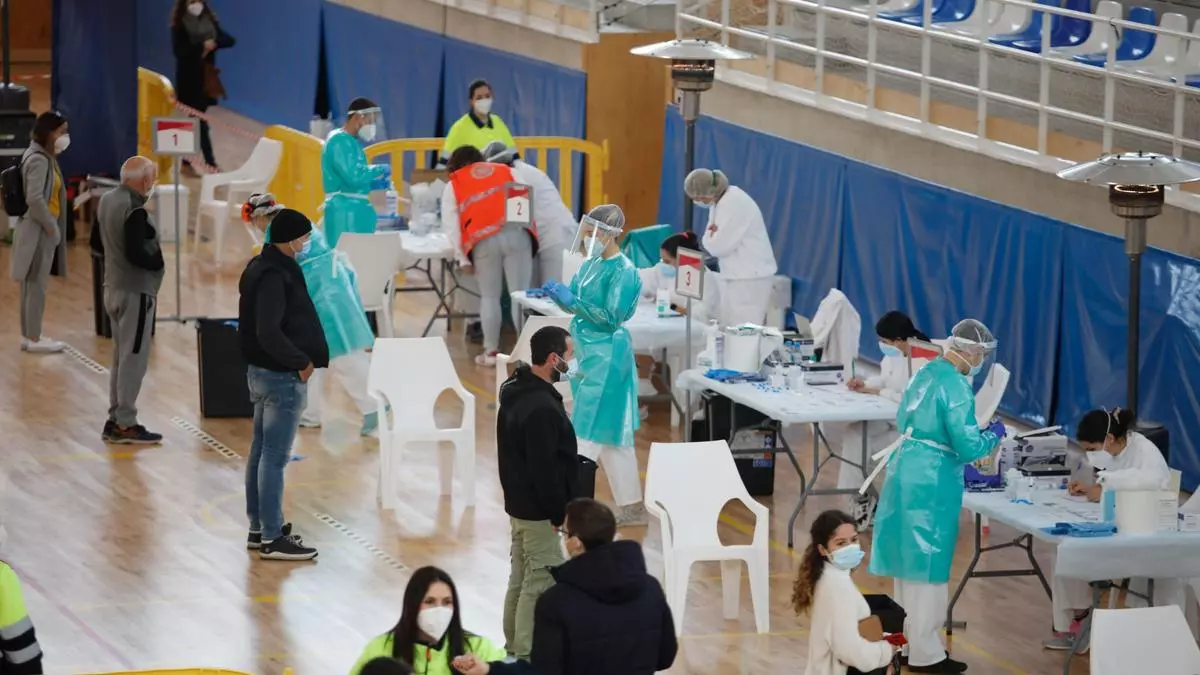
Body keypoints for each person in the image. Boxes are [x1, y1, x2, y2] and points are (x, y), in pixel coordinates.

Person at [868, 318, 1005, 674]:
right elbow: (968, 446)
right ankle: (926, 653)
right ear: (973, 352)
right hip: (932, 478)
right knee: (929, 565)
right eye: (981, 355)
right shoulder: (956, 385)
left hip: (904, 468)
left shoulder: (925, 373)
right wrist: (993, 435)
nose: (981, 361)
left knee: (906, 563)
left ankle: (904, 642)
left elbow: (905, 417)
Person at [454, 498, 677, 675]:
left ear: (575, 542)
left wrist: (491, 670)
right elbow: (665, 656)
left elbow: (544, 672)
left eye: (563, 532)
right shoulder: (650, 587)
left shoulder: (555, 602)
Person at [541, 205, 645, 526]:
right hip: (589, 353)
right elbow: (575, 301)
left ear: (610, 234)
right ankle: (632, 506)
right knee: (611, 434)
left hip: (609, 357)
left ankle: (572, 505)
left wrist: (574, 303)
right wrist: (561, 298)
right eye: (586, 231)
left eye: (593, 232)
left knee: (585, 431)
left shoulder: (624, 271)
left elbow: (611, 318)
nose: (588, 237)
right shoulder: (591, 264)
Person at [243, 194, 378, 435]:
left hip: (325, 294)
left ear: (259, 218)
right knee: (312, 353)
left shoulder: (281, 231)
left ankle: (374, 407)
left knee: (343, 354)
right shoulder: (290, 223)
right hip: (322, 289)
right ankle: (309, 411)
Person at [237, 209, 328, 561]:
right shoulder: (276, 276)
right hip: (280, 377)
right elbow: (268, 331)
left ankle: (259, 528)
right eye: (303, 238)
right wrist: (301, 362)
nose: (306, 243)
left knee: (260, 452)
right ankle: (273, 537)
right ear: (289, 240)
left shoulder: (259, 266)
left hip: (260, 373)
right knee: (274, 458)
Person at [1044, 407, 1171, 652]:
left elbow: (1147, 488)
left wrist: (1105, 490)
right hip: (1117, 524)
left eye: (1092, 449)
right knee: (1061, 548)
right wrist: (1094, 489)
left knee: (1070, 551)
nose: (1090, 455)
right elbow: (1113, 486)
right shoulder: (1117, 450)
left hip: (1141, 533)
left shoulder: (1145, 454)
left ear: (1109, 439)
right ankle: (1078, 616)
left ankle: (1083, 617)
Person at [497, 326, 578, 659]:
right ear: (553, 358)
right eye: (570, 356)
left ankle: (513, 649)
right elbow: (544, 468)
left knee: (520, 578)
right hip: (538, 510)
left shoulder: (515, 390)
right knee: (541, 580)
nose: (572, 363)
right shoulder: (541, 407)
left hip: (519, 504)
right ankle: (526, 655)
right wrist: (558, 513)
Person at [441, 145, 537, 366]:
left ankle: (491, 352)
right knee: (520, 296)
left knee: (490, 297)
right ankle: (527, 354)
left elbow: (451, 226)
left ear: (454, 166)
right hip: (517, 232)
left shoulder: (454, 183)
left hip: (482, 240)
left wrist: (462, 258)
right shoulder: (508, 170)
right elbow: (524, 205)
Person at [838, 311, 932, 529]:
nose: (883, 345)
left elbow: (909, 400)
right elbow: (885, 378)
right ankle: (858, 497)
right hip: (889, 418)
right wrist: (865, 384)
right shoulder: (894, 354)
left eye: (885, 341)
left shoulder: (924, 361)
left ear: (898, 340)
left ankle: (862, 501)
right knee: (855, 432)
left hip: (910, 430)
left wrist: (878, 392)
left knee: (861, 446)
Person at [97, 157, 166, 445]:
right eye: (153, 178)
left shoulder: (106, 200)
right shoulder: (134, 210)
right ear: (145, 181)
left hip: (112, 287)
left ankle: (115, 417)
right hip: (135, 292)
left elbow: (96, 243)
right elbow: (137, 253)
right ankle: (126, 423)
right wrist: (157, 260)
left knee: (120, 358)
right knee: (133, 360)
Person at [793, 510, 898, 675]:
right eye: (841, 543)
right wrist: (886, 650)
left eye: (854, 539)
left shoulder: (828, 577)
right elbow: (849, 650)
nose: (850, 547)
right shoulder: (838, 588)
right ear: (823, 549)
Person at [350, 566, 507, 675]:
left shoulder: (478, 648)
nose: (439, 609)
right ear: (413, 604)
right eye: (430, 602)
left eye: (447, 602)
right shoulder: (381, 649)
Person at [683, 168, 777, 327]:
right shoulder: (719, 202)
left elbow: (718, 247)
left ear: (706, 193)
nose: (699, 202)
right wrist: (711, 236)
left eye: (699, 198)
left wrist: (711, 236)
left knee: (744, 330)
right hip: (737, 276)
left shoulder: (733, 203)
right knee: (730, 327)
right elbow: (711, 238)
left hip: (749, 278)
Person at [10, 111, 69, 355]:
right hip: (39, 230)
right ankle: (33, 337)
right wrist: (50, 226)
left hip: (37, 228)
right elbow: (34, 199)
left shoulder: (42, 156)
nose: (65, 136)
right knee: (36, 286)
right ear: (50, 133)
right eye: (62, 131)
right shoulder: (39, 160)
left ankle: (30, 334)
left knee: (31, 285)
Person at [482, 141, 576, 286]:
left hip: (556, 237)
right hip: (542, 238)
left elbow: (517, 221)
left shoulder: (516, 176)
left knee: (554, 295)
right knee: (534, 296)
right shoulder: (520, 171)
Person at [170, 0, 233, 172]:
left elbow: (229, 40)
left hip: (205, 80)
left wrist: (214, 42)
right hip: (188, 80)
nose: (195, 4)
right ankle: (210, 162)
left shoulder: (209, 22)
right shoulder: (179, 25)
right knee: (198, 120)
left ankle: (188, 160)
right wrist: (201, 46)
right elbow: (179, 51)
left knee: (197, 119)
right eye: (191, 1)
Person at [322, 97, 392, 248]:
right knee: (346, 257)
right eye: (370, 121)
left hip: (353, 209)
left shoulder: (351, 142)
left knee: (359, 257)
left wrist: (373, 184)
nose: (372, 126)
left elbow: (352, 179)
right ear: (357, 117)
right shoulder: (339, 140)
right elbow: (354, 175)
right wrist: (379, 169)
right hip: (345, 213)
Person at [440, 80, 517, 163]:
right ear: (471, 101)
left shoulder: (498, 122)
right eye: (479, 98)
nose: (484, 101)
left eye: (487, 96)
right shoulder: (459, 128)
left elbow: (514, 155)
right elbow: (444, 162)